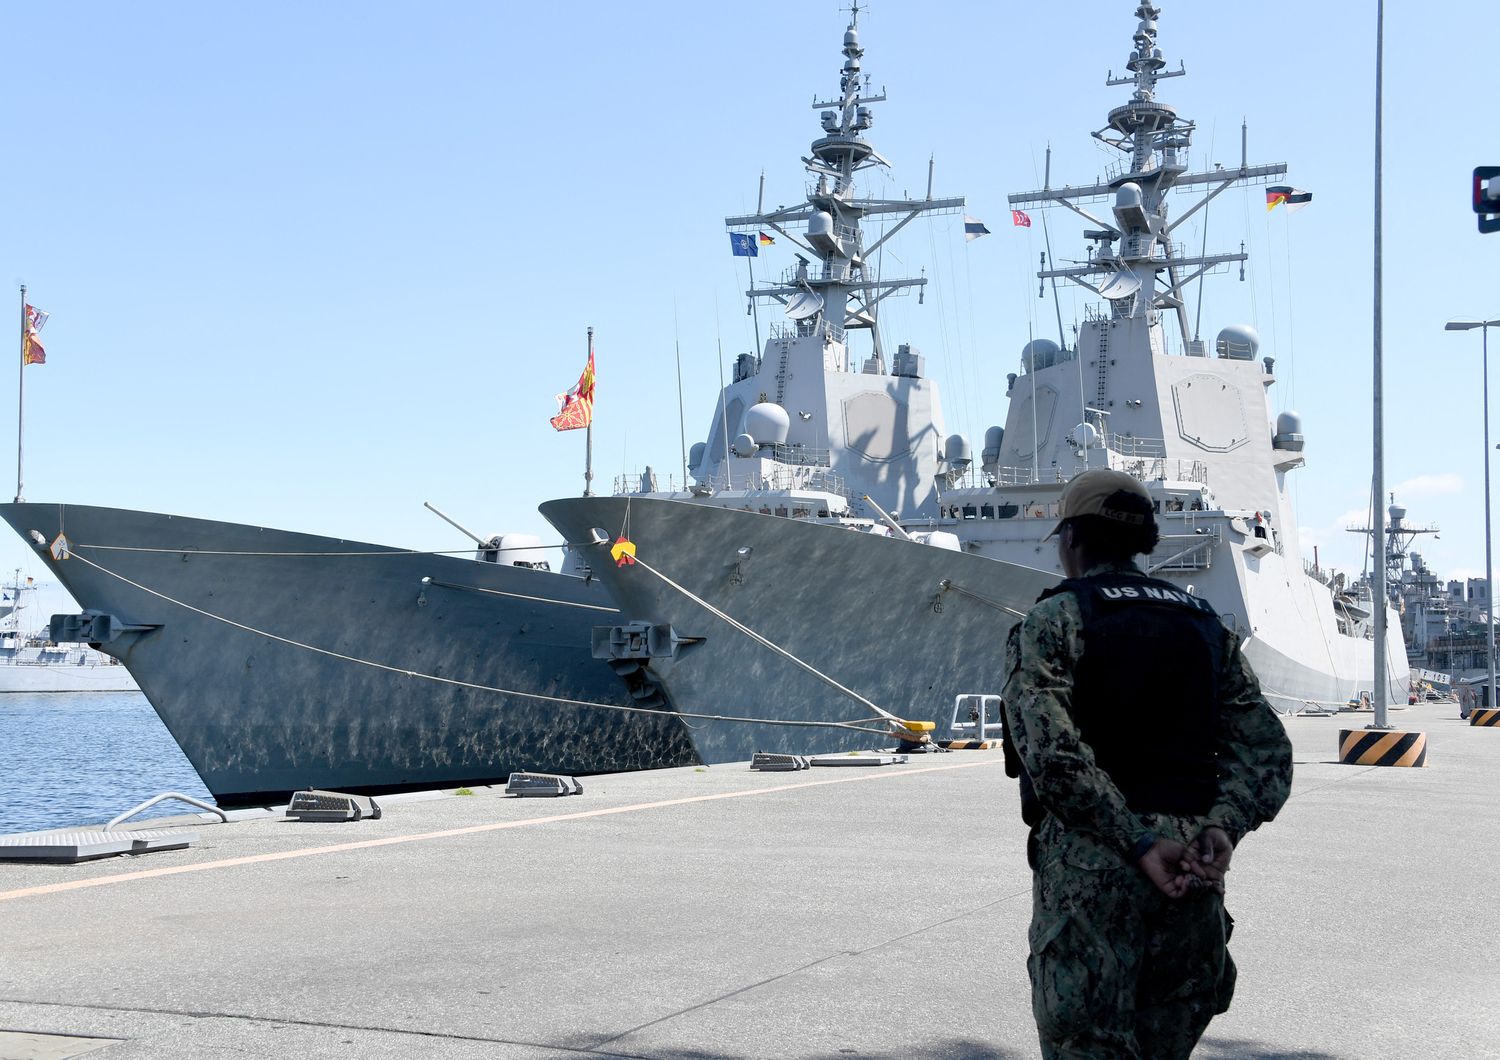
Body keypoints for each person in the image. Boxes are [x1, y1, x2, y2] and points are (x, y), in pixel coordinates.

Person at [1001, 468, 1293, 1059]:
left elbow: (1052, 756)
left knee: (1089, 1045)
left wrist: (1135, 840)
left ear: (1072, 540)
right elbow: (1267, 750)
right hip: (1192, 868)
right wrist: (1221, 826)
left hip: (1094, 869)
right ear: (1145, 541)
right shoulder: (1205, 626)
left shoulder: (1055, 619)